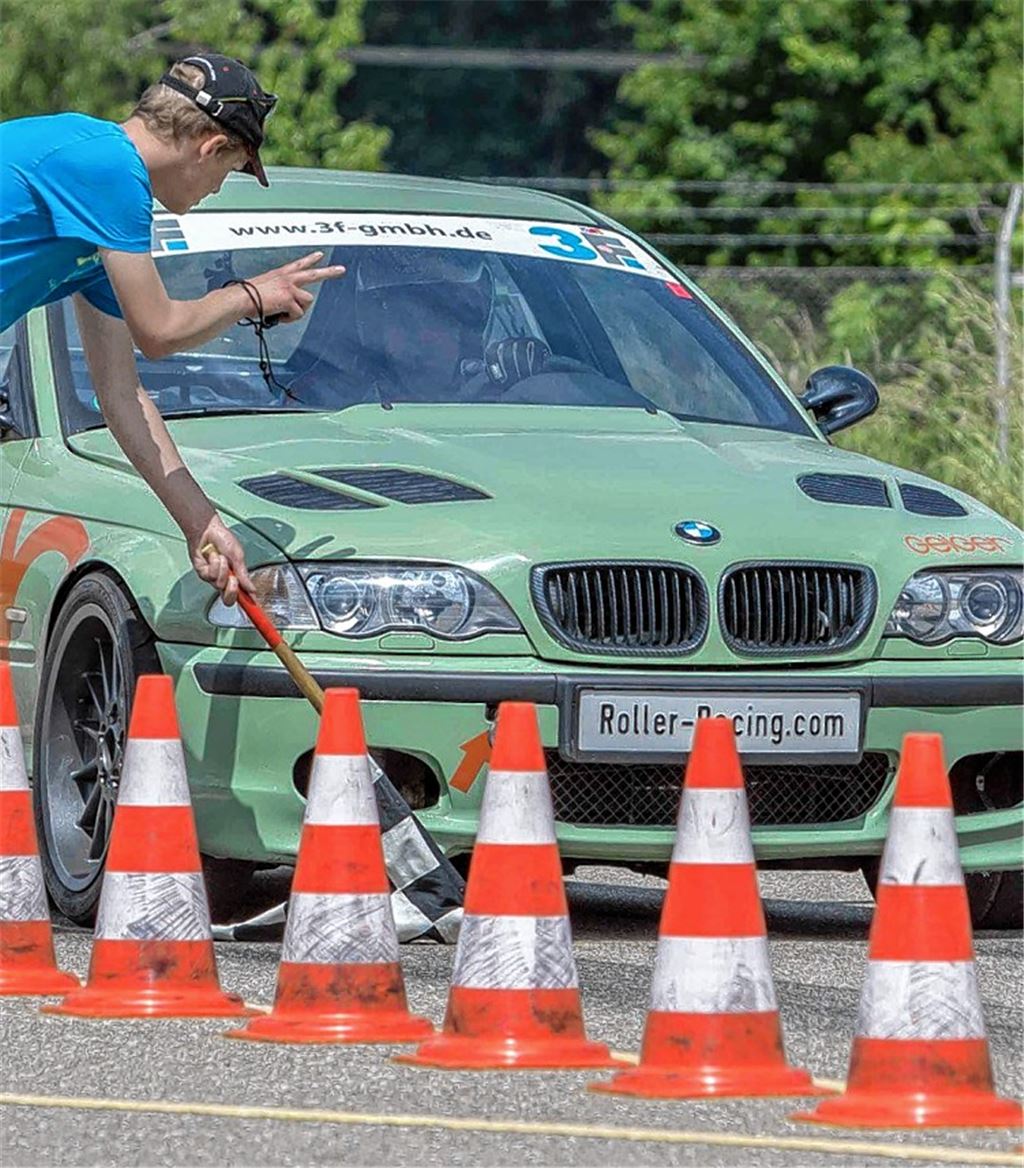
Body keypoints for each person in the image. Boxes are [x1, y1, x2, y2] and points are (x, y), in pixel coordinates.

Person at [0, 54, 345, 604]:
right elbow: (160, 331)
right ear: (210, 146)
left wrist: (200, 523)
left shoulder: (97, 205)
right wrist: (250, 295)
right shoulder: (109, 171)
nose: (215, 189)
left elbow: (121, 395)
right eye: (228, 172)